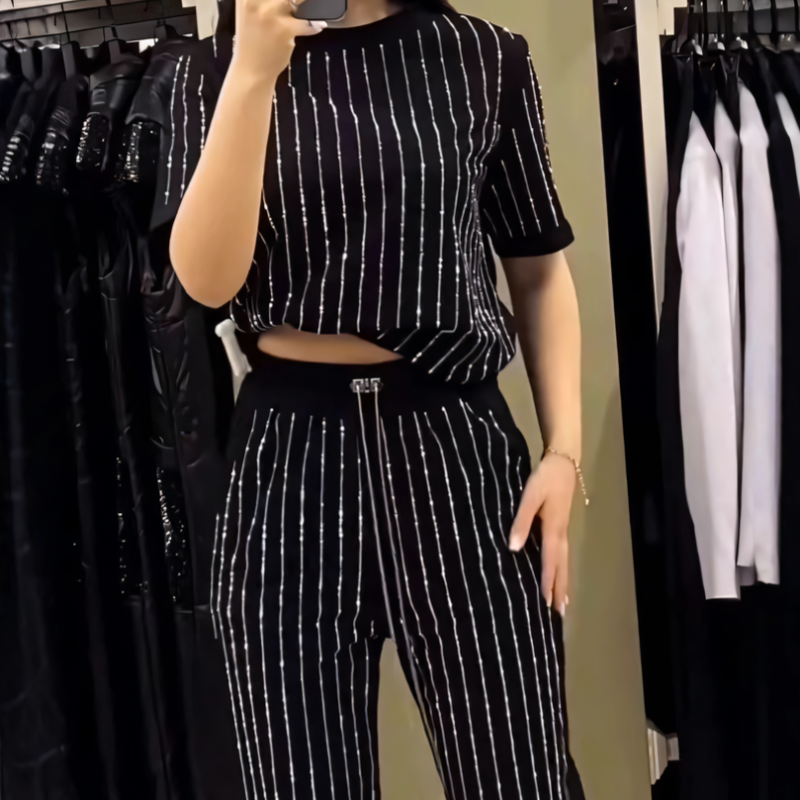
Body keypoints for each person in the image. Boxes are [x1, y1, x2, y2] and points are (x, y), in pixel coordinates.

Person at [170, 0, 586, 797]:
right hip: (288, 461)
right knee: (299, 780)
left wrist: (563, 451)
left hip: (456, 448)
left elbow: (538, 268)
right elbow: (207, 281)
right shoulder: (213, 69)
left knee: (520, 772)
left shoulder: (483, 57)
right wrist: (252, 74)